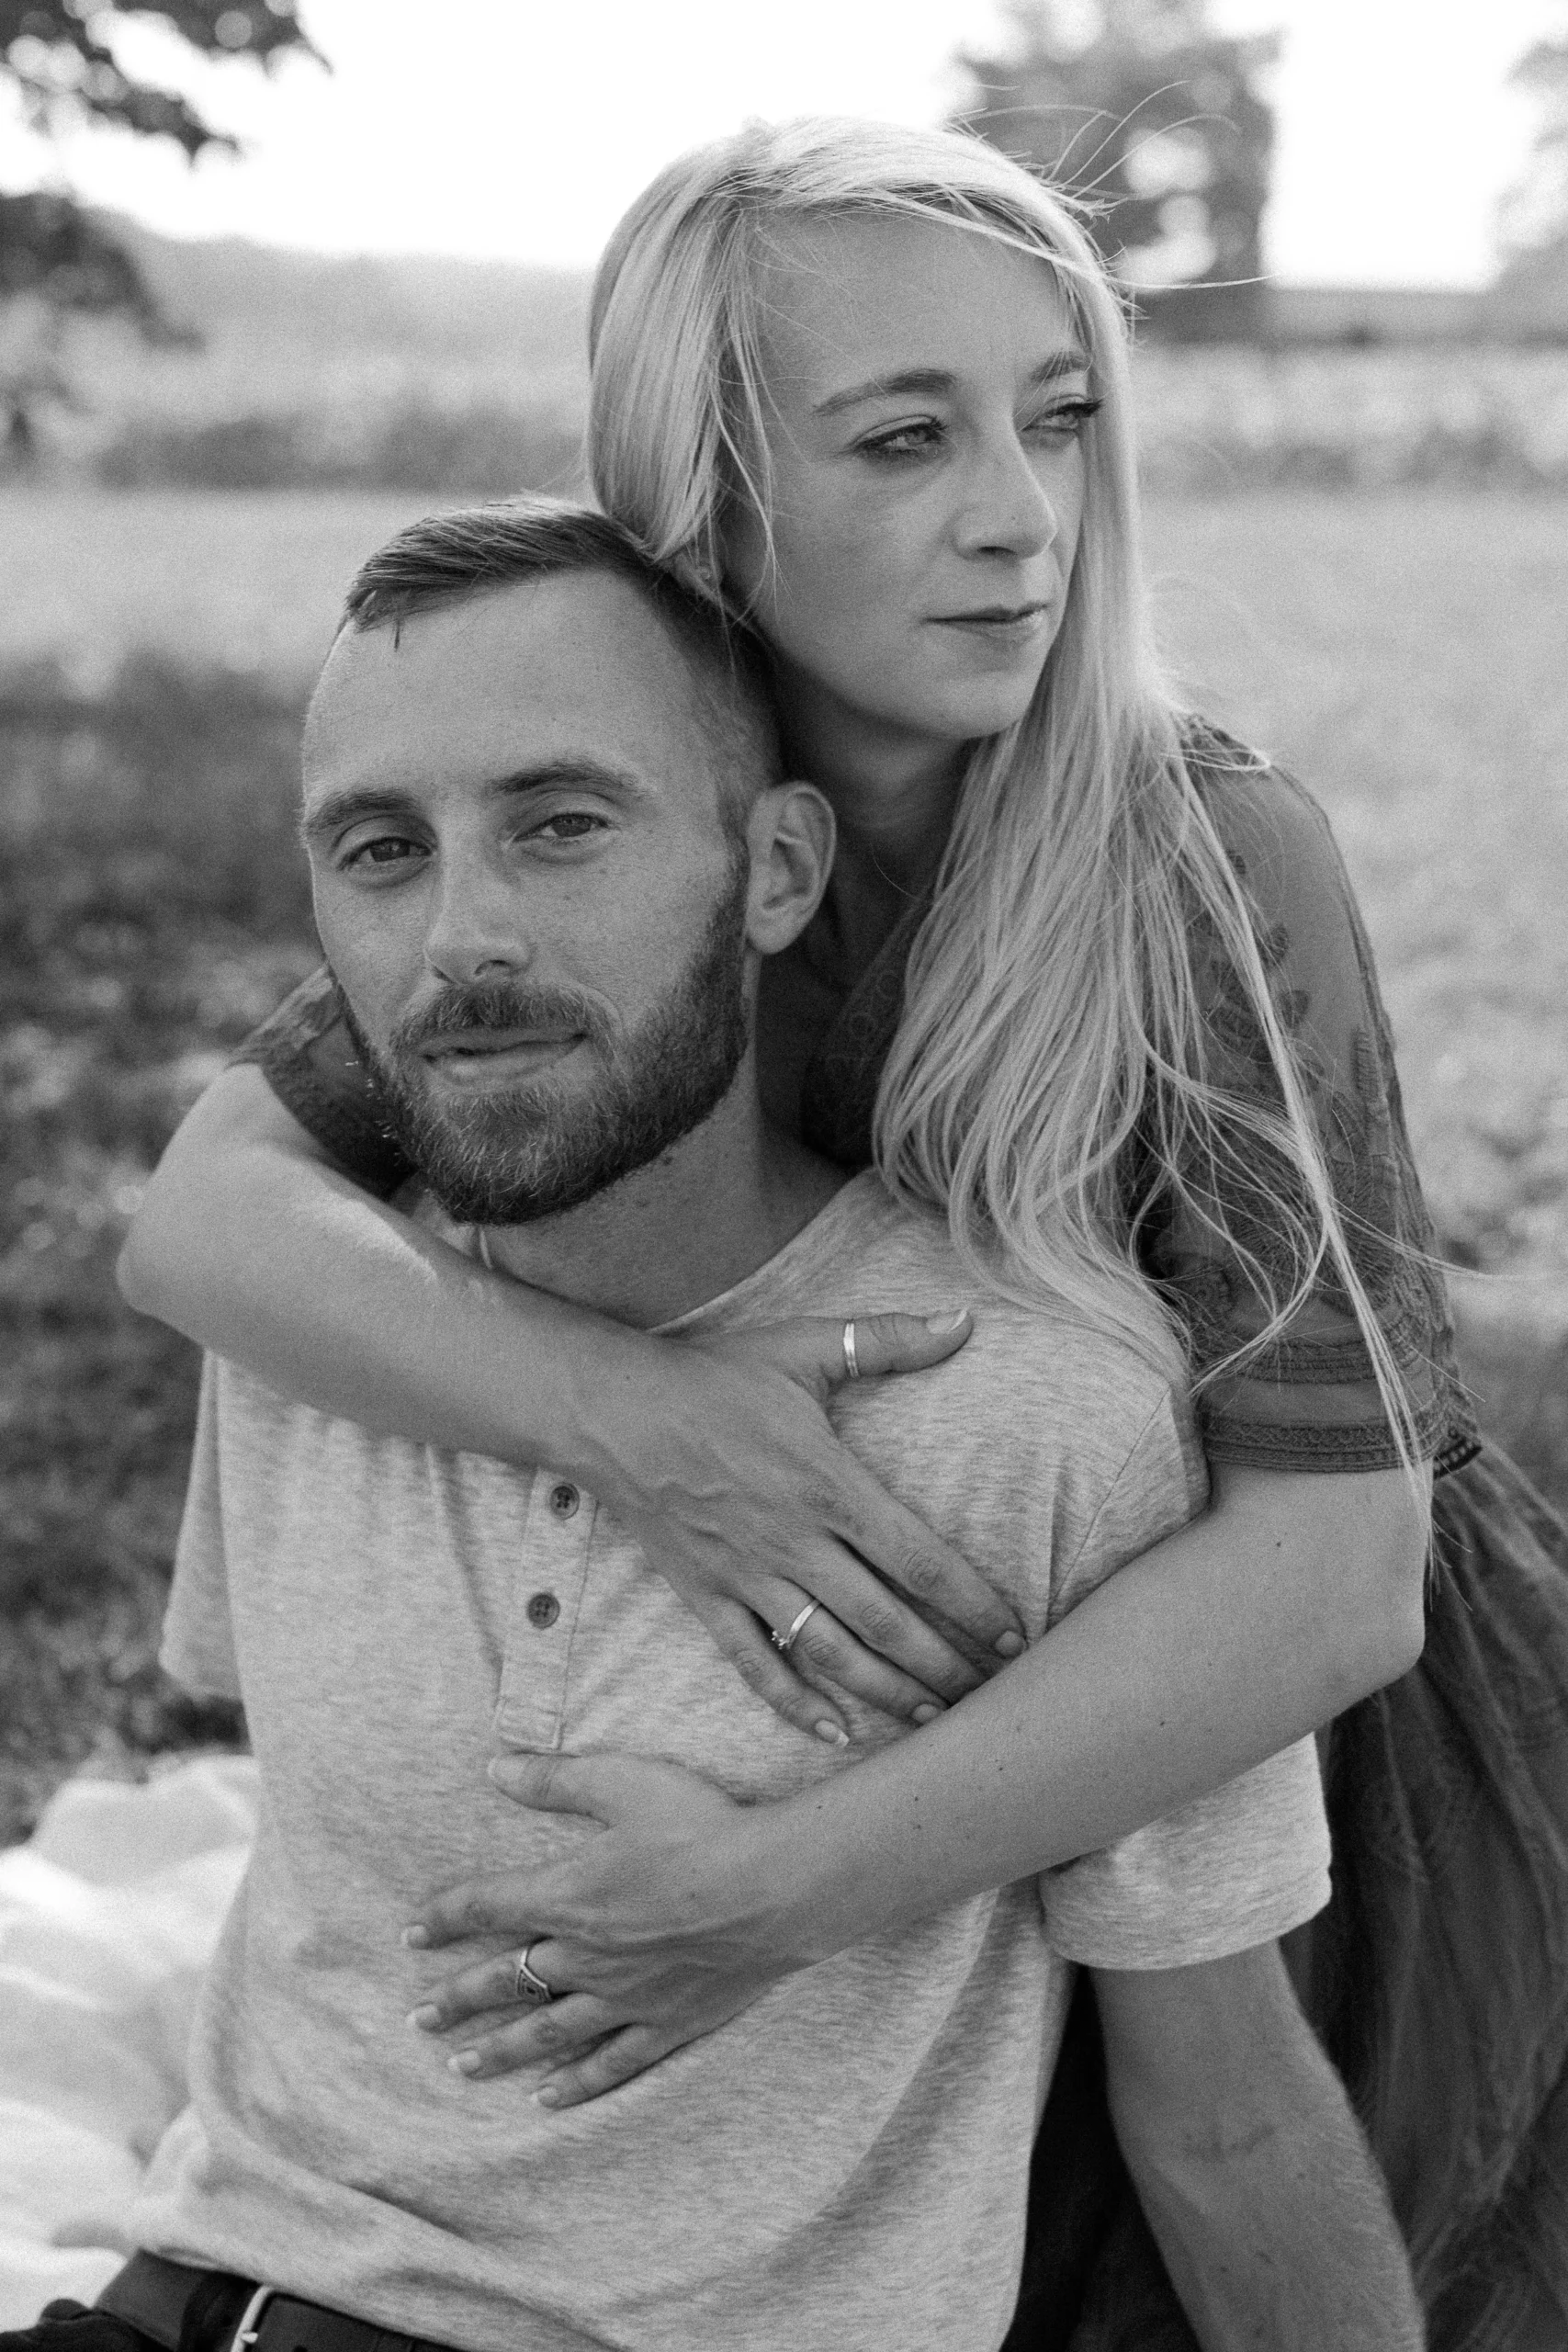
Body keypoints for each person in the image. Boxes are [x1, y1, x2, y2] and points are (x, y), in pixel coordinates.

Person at [117, 119, 1568, 2346]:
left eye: (1059, 419)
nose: (1021, 515)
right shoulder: (620, 791)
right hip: (835, 1597)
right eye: (906, 438)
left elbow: (1333, 1571)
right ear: (704, 488)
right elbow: (211, 1214)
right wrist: (643, 1423)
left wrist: (774, 1894)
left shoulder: (1196, 851)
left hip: (1200, 1672)